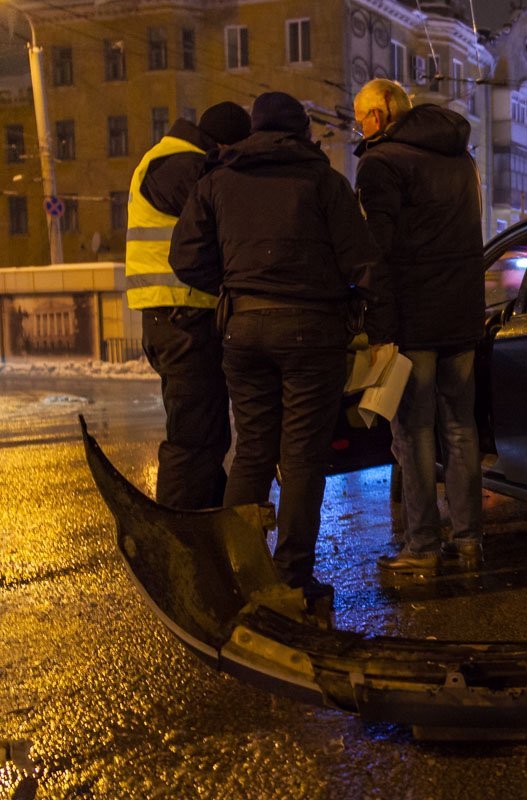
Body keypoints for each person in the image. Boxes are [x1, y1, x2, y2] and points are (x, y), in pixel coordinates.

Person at [170, 91, 393, 599]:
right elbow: (363, 262)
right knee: (300, 458)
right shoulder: (324, 182)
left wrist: (234, 282)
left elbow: (185, 259)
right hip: (312, 335)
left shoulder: (217, 181)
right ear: (303, 133)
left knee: (251, 451)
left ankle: (239, 572)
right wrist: (373, 318)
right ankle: (291, 576)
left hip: (243, 331)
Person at [352, 79, 485, 575]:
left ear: (383, 112)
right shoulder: (460, 157)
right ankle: (470, 542)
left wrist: (378, 324)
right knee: (461, 428)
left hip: (414, 319)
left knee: (412, 430)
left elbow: (375, 253)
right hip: (462, 315)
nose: (358, 125)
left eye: (361, 114)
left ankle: (423, 546)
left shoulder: (381, 163)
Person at [126, 102, 251, 510]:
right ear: (224, 145)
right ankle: (179, 540)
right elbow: (225, 217)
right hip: (180, 318)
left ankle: (205, 531)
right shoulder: (180, 165)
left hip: (178, 318)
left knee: (208, 436)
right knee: (193, 439)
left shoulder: (174, 160)